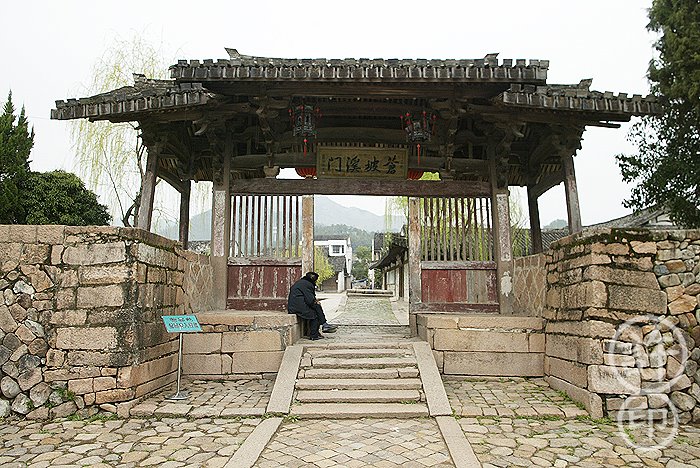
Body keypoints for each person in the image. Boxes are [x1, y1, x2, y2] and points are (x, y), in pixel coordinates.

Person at [287, 272, 338, 340]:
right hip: (298, 308)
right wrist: (315, 302)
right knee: (314, 314)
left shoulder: (302, 282)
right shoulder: (308, 285)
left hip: (294, 306)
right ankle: (315, 334)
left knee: (316, 307)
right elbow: (310, 300)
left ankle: (324, 325)